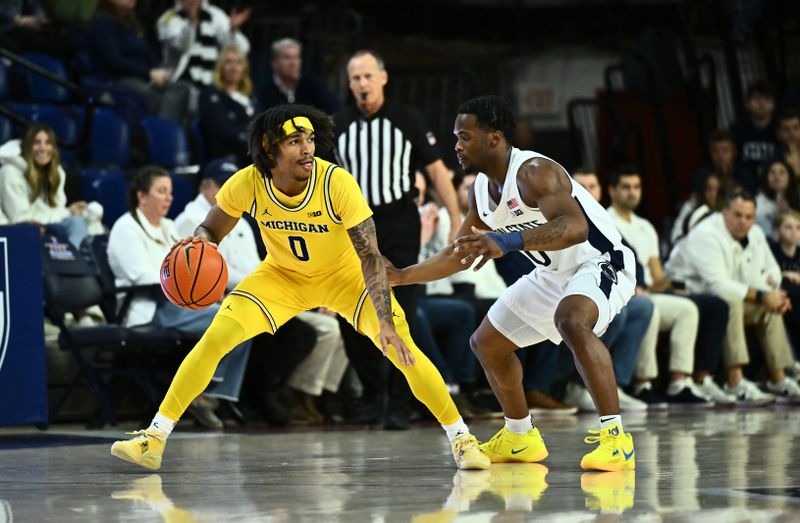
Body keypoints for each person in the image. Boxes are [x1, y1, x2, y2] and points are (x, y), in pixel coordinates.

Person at [109, 104, 490, 471]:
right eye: (294, 141)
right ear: (269, 149)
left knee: (402, 347)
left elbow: (371, 256)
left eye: (309, 138)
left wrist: (386, 320)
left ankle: (462, 439)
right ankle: (154, 439)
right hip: (281, 278)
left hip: (345, 278)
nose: (307, 147)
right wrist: (201, 244)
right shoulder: (248, 181)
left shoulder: (336, 181)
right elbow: (211, 228)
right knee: (214, 338)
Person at [388, 95, 637, 471]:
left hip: (599, 260)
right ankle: (521, 436)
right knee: (486, 344)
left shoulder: (534, 171)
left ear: (494, 137)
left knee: (571, 320)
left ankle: (616, 440)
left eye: (465, 136)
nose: (456, 145)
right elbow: (460, 252)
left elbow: (575, 227)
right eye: (456, 136)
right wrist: (402, 276)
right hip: (552, 273)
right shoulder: (480, 191)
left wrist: (506, 241)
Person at [330, 49, 463, 429]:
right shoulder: (337, 125)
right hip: (354, 228)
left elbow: (437, 172)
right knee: (352, 314)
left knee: (402, 313)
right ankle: (374, 394)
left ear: (383, 78)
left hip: (399, 223)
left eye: (368, 76)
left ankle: (400, 403)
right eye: (355, 78)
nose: (362, 84)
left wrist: (455, 219)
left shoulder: (407, 119)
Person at [107, 165, 253, 429]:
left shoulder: (168, 226)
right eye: (161, 192)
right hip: (150, 308)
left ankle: (206, 395)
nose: (168, 198)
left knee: (240, 318)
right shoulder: (124, 228)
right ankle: (204, 395)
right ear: (141, 196)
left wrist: (205, 293)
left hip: (178, 303)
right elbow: (142, 278)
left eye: (170, 192)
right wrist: (184, 287)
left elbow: (190, 267)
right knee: (232, 323)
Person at [665, 190, 800, 404]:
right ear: (724, 211)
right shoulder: (706, 234)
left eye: (748, 217)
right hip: (689, 293)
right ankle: (735, 381)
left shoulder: (755, 233)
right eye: (737, 215)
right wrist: (763, 294)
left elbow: (771, 268)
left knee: (769, 307)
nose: (743, 222)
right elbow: (718, 284)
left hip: (728, 293)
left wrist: (772, 294)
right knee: (731, 302)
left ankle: (778, 378)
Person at [87, 0, 191, 123]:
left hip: (141, 77)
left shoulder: (131, 23)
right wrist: (148, 73)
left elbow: (148, 55)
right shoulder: (103, 21)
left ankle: (166, 135)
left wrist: (159, 71)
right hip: (117, 78)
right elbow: (113, 60)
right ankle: (159, 137)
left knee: (182, 88)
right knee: (155, 97)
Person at [0, 123, 103, 248]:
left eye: (48, 143)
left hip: (49, 227)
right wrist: (68, 212)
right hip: (23, 232)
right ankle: (74, 262)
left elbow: (57, 210)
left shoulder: (56, 172)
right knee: (76, 223)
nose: (43, 148)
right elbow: (21, 219)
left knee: (92, 223)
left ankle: (84, 263)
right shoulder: (10, 173)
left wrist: (78, 212)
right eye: (37, 142)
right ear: (27, 146)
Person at [156, 0, 250, 88]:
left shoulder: (215, 15)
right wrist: (191, 21)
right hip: (180, 82)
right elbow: (182, 46)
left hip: (212, 84)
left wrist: (232, 31)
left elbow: (242, 49)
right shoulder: (168, 19)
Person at [199, 46, 260, 170]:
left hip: (252, 152)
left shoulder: (251, 94)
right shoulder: (211, 94)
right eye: (228, 62)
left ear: (244, 68)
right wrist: (250, 139)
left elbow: (261, 121)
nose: (233, 67)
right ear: (220, 67)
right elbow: (220, 129)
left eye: (238, 62)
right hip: (225, 155)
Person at [260, 38, 339, 114]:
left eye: (296, 57)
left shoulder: (312, 84)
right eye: (287, 58)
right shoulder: (264, 88)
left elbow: (334, 110)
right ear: (275, 63)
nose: (293, 63)